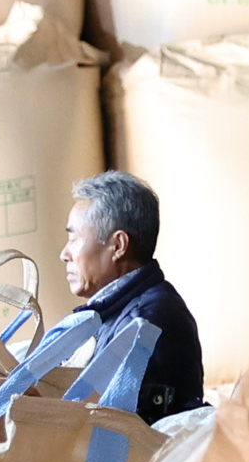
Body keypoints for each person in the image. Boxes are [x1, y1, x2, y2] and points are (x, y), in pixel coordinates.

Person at [57, 170, 203, 421]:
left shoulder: (143, 325)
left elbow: (110, 429)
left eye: (74, 239)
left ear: (118, 246)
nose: (64, 254)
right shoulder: (115, 312)